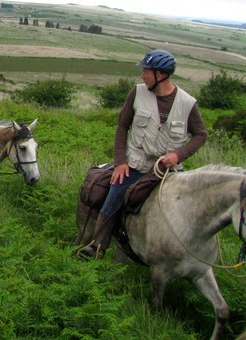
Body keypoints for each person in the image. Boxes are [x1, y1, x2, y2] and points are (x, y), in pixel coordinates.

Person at [75, 50, 208, 261]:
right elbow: (122, 126)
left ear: (160, 75)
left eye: (145, 71)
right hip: (136, 165)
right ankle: (97, 245)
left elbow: (201, 135)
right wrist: (120, 163)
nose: (142, 76)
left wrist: (178, 155)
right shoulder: (137, 93)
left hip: (168, 170)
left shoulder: (187, 103)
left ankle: (188, 254)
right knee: (113, 195)